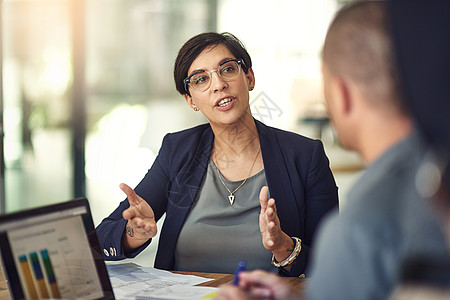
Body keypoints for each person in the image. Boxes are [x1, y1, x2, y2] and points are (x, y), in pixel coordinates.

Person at [216, 1, 448, 299]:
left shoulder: (359, 232)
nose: (218, 86)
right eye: (200, 79)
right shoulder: (433, 182)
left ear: (342, 94)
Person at [95, 32, 338, 277]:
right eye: (200, 79)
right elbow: (100, 238)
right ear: (190, 99)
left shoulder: (306, 156)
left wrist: (284, 247)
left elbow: (334, 263)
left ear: (249, 78)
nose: (218, 84)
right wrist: (134, 233)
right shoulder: (177, 151)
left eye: (228, 69)